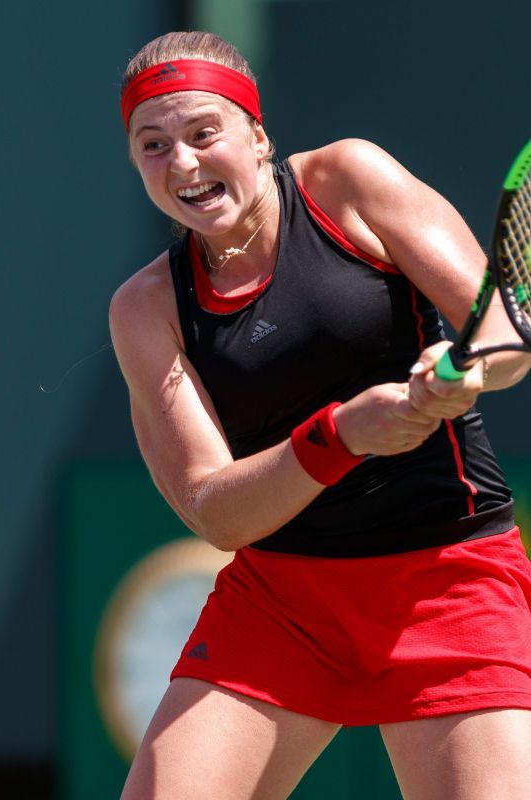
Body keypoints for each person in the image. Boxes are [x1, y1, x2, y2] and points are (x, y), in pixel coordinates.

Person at [110, 30, 531, 800]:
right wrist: (339, 436)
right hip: (282, 604)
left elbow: (504, 327)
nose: (184, 163)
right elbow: (216, 513)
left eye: (204, 133)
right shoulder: (145, 309)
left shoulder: (348, 179)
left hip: (447, 580)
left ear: (258, 134)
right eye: (153, 145)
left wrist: (462, 372)